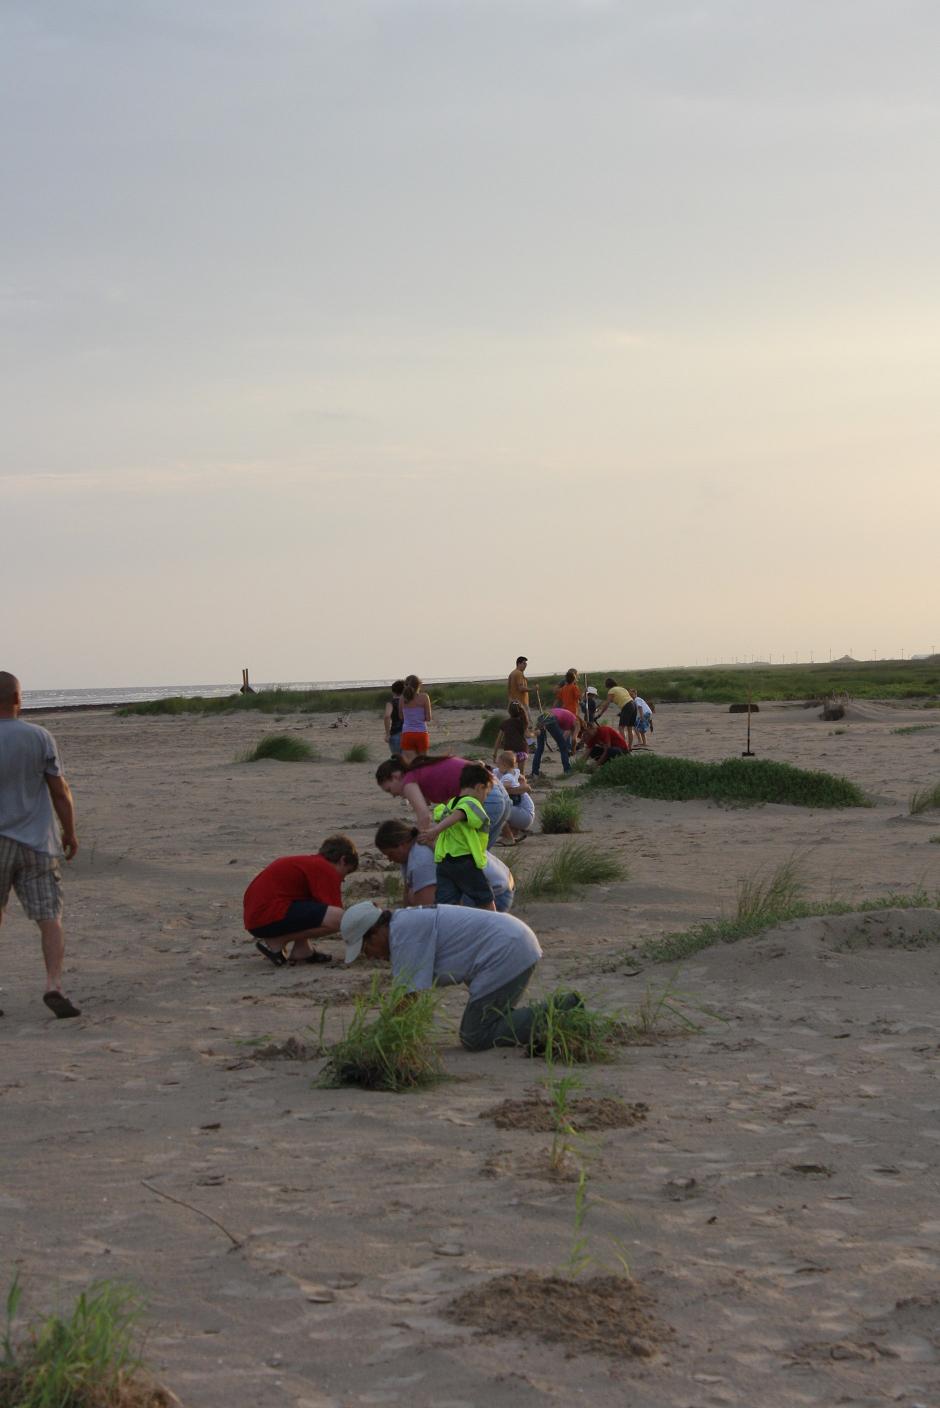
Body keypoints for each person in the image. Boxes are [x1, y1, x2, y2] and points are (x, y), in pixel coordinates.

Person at [341, 900, 544, 1051]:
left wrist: (375, 1036)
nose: (369, 956)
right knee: (489, 1021)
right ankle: (544, 1021)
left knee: (475, 1036)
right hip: (514, 942)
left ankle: (557, 1012)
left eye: (366, 948)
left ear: (375, 931)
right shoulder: (403, 924)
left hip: (509, 950)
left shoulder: (402, 934)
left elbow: (408, 999)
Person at [0, 672, 81, 1019]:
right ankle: (53, 984)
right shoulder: (39, 736)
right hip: (36, 842)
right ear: (18, 699)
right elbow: (59, 790)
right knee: (50, 917)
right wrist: (70, 832)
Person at [244, 835, 358, 966]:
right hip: (266, 915)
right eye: (346, 872)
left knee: (313, 907)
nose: (343, 879)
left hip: (257, 916)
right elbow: (338, 916)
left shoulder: (309, 863)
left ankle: (302, 950)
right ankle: (277, 940)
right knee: (339, 918)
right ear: (343, 860)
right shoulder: (324, 868)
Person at [374, 819, 515, 911]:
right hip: (503, 881)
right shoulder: (413, 849)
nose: (390, 860)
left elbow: (428, 910)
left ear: (401, 844)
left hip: (497, 894)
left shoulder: (420, 859)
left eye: (390, 854)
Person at [417, 762, 496, 909]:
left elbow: (441, 813)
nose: (485, 798)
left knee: (447, 903)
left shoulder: (451, 803)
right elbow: (461, 813)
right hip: (464, 859)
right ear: (480, 787)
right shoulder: (471, 803)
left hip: (444, 861)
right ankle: (495, 920)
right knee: (484, 898)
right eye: (486, 794)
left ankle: (451, 921)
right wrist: (435, 831)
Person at [496, 750, 535, 837]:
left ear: (504, 765)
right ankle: (513, 831)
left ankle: (508, 836)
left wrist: (495, 786)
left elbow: (507, 785)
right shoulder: (515, 772)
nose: (497, 768)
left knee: (498, 808)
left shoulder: (508, 777)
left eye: (498, 765)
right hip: (527, 812)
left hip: (525, 814)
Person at [530, 708, 572, 777]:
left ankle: (535, 772)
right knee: (563, 747)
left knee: (540, 748)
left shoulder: (562, 712)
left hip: (542, 717)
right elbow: (568, 736)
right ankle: (567, 770)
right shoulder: (572, 720)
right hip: (551, 720)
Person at [399, 674, 432, 761]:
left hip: (407, 733)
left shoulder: (402, 698)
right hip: (421, 732)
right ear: (419, 685)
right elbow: (428, 718)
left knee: (411, 762)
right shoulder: (424, 697)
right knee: (423, 761)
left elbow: (401, 717)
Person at [492, 700, 529, 774]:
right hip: (521, 750)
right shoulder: (523, 722)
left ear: (509, 711)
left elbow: (498, 740)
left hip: (509, 753)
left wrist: (495, 754)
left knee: (509, 773)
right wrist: (535, 733)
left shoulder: (505, 723)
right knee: (521, 774)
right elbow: (527, 735)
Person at [596, 677, 635, 743]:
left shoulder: (611, 690)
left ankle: (623, 746)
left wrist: (600, 714)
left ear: (607, 686)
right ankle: (629, 747)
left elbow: (607, 703)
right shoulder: (622, 688)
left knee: (621, 727)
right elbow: (625, 698)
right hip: (633, 704)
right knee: (629, 728)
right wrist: (600, 707)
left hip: (627, 706)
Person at [384, 680, 405, 757]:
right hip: (409, 732)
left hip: (396, 732)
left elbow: (387, 716)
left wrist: (387, 734)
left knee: (397, 759)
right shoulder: (409, 702)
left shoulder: (391, 702)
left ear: (393, 691)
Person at [507, 656, 530, 722]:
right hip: (521, 704)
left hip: (513, 704)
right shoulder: (518, 673)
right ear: (519, 664)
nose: (525, 665)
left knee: (516, 722)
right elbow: (521, 688)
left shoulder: (512, 673)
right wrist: (533, 689)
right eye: (524, 663)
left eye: (526, 664)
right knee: (526, 722)